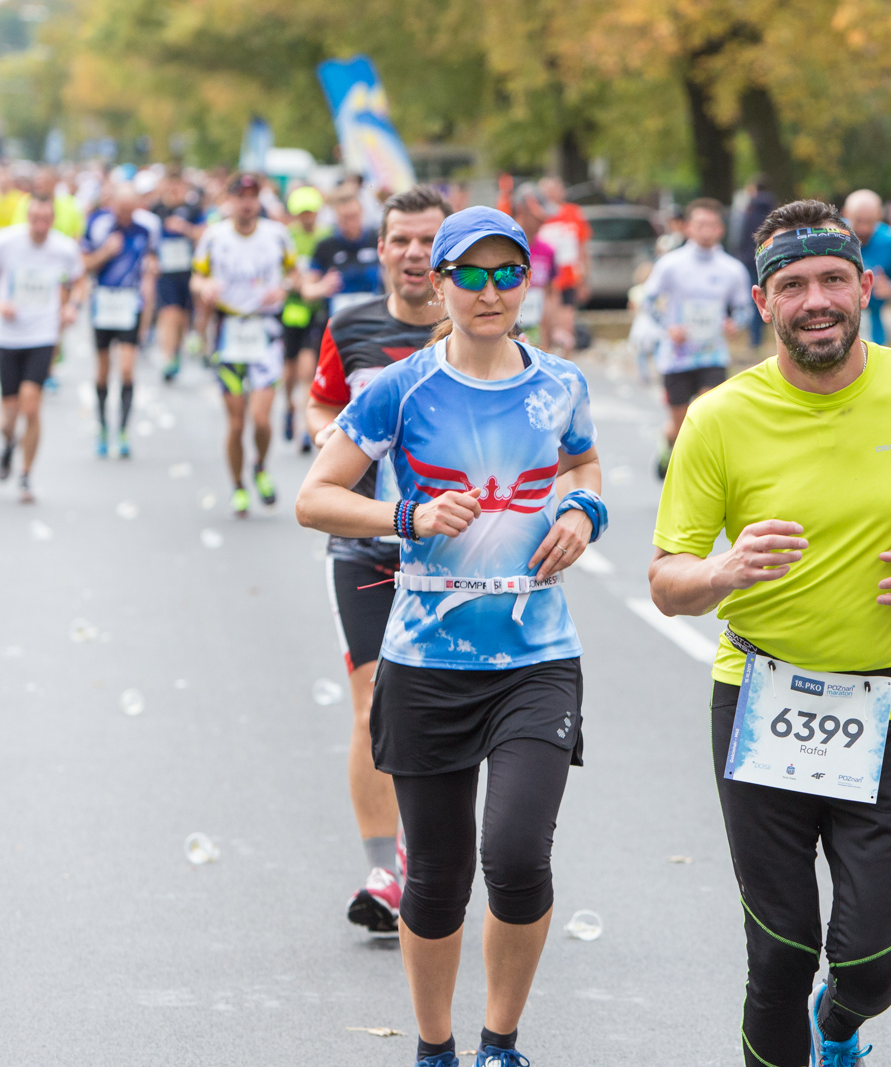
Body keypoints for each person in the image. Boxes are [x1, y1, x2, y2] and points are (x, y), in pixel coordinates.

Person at [648, 199, 891, 1067]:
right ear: (764, 302)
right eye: (794, 284)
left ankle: (841, 1022)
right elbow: (667, 582)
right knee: (778, 952)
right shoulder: (720, 417)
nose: (817, 299)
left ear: (866, 287)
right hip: (760, 697)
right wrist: (725, 572)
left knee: (874, 964)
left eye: (833, 280)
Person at [296, 205, 603, 1067]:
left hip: (536, 656)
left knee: (514, 853)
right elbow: (315, 496)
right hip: (427, 661)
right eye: (471, 274)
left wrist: (585, 509)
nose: (491, 291)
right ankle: (435, 1048)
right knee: (435, 877)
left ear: (527, 284)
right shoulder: (400, 388)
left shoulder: (560, 383)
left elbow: (582, 462)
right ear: (439, 283)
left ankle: (500, 1041)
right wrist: (411, 514)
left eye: (508, 274)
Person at [305, 185, 454, 934]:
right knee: (371, 703)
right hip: (367, 542)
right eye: (400, 240)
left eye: (428, 241)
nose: (413, 254)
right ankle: (384, 871)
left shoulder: (477, 331)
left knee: (444, 707)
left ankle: (433, 853)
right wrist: (332, 443)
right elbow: (322, 402)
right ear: (382, 247)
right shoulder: (351, 324)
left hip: (458, 556)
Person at [192, 172, 299, 515]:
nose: (247, 202)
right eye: (241, 196)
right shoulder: (214, 237)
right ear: (231, 200)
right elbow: (196, 276)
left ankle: (261, 467)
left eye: (253, 196)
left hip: (265, 331)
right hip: (229, 332)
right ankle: (238, 485)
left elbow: (295, 273)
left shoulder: (278, 236)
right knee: (237, 423)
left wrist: (283, 288)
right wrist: (203, 288)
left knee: (262, 419)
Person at [0, 194, 86, 503]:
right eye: (34, 219)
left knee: (32, 406)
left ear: (52, 219)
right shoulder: (5, 242)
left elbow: (80, 280)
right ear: (27, 217)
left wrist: (72, 305)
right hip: (8, 335)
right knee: (8, 415)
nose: (39, 226)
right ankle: (9, 444)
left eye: (45, 220)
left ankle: (25, 475)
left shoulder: (63, 247)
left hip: (43, 334)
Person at [643, 197, 753, 480]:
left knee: (706, 416)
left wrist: (734, 324)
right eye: (700, 224)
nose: (706, 230)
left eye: (712, 224)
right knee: (679, 427)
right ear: (688, 228)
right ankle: (667, 444)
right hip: (676, 356)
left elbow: (743, 307)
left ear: (721, 229)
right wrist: (668, 328)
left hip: (713, 354)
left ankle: (695, 479)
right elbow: (649, 300)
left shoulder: (732, 269)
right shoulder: (671, 264)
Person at [81, 181, 160, 458]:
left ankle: (123, 431)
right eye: (121, 209)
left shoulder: (146, 229)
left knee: (127, 369)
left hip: (130, 303)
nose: (126, 215)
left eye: (131, 210)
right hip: (103, 302)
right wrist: (105, 252)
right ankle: (102, 427)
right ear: (112, 205)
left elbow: (152, 264)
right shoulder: (97, 225)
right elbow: (83, 263)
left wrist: (148, 308)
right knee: (103, 370)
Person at [283, 185, 332, 452]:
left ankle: (304, 428)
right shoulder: (288, 237)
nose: (307, 217)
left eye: (311, 212)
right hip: (292, 309)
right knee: (289, 368)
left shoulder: (326, 236)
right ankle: (288, 405)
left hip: (317, 311)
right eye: (302, 213)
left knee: (307, 369)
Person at [151, 165, 207, 381]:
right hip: (166, 271)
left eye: (178, 185)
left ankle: (176, 352)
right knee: (169, 313)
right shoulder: (156, 209)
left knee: (183, 317)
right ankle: (168, 357)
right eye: (170, 185)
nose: (174, 190)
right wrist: (152, 260)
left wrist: (185, 228)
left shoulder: (192, 210)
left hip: (187, 270)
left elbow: (203, 234)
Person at [842, 190, 891, 347]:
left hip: (873, 324)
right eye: (858, 221)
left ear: (880, 216)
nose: (864, 229)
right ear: (846, 214)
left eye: (870, 222)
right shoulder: (829, 235)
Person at [506, 182, 564, 350]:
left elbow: (551, 292)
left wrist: (554, 327)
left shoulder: (548, 250)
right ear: (522, 210)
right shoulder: (503, 246)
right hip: (507, 330)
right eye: (538, 215)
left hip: (537, 331)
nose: (543, 220)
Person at [537, 175, 591, 351]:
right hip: (544, 280)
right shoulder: (538, 214)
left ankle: (566, 367)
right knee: (545, 323)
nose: (551, 194)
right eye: (547, 190)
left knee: (567, 323)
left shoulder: (573, 213)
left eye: (554, 189)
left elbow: (582, 247)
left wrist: (585, 279)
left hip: (568, 278)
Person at [733, 175, 779, 347]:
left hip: (751, 261)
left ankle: (755, 340)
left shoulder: (749, 210)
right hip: (772, 260)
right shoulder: (774, 211)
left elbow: (742, 237)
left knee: (757, 299)